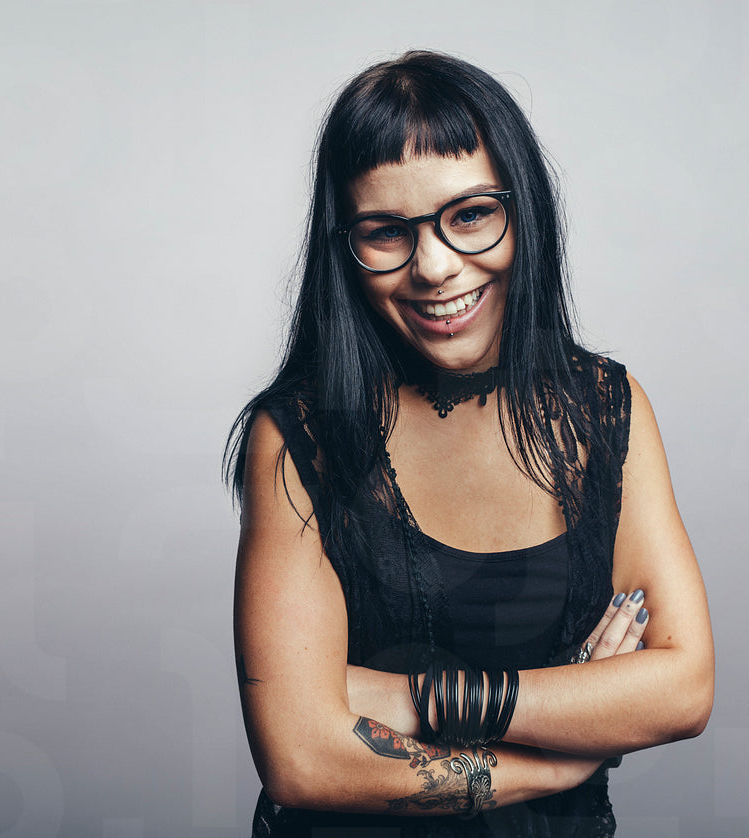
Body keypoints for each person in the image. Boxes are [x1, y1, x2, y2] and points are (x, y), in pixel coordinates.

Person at [225, 51, 713, 837]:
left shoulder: (602, 409)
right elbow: (303, 760)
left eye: (471, 215)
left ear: (524, 208)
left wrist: (411, 697)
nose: (435, 267)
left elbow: (683, 689)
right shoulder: (297, 438)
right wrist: (560, 755)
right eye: (386, 231)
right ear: (344, 247)